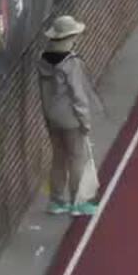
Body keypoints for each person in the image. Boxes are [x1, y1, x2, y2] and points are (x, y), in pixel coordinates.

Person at [37, 15, 102, 217]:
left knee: (58, 158)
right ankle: (78, 201)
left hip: (51, 115)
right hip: (70, 118)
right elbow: (78, 95)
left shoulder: (42, 59)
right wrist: (85, 120)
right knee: (76, 158)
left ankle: (56, 200)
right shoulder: (71, 63)